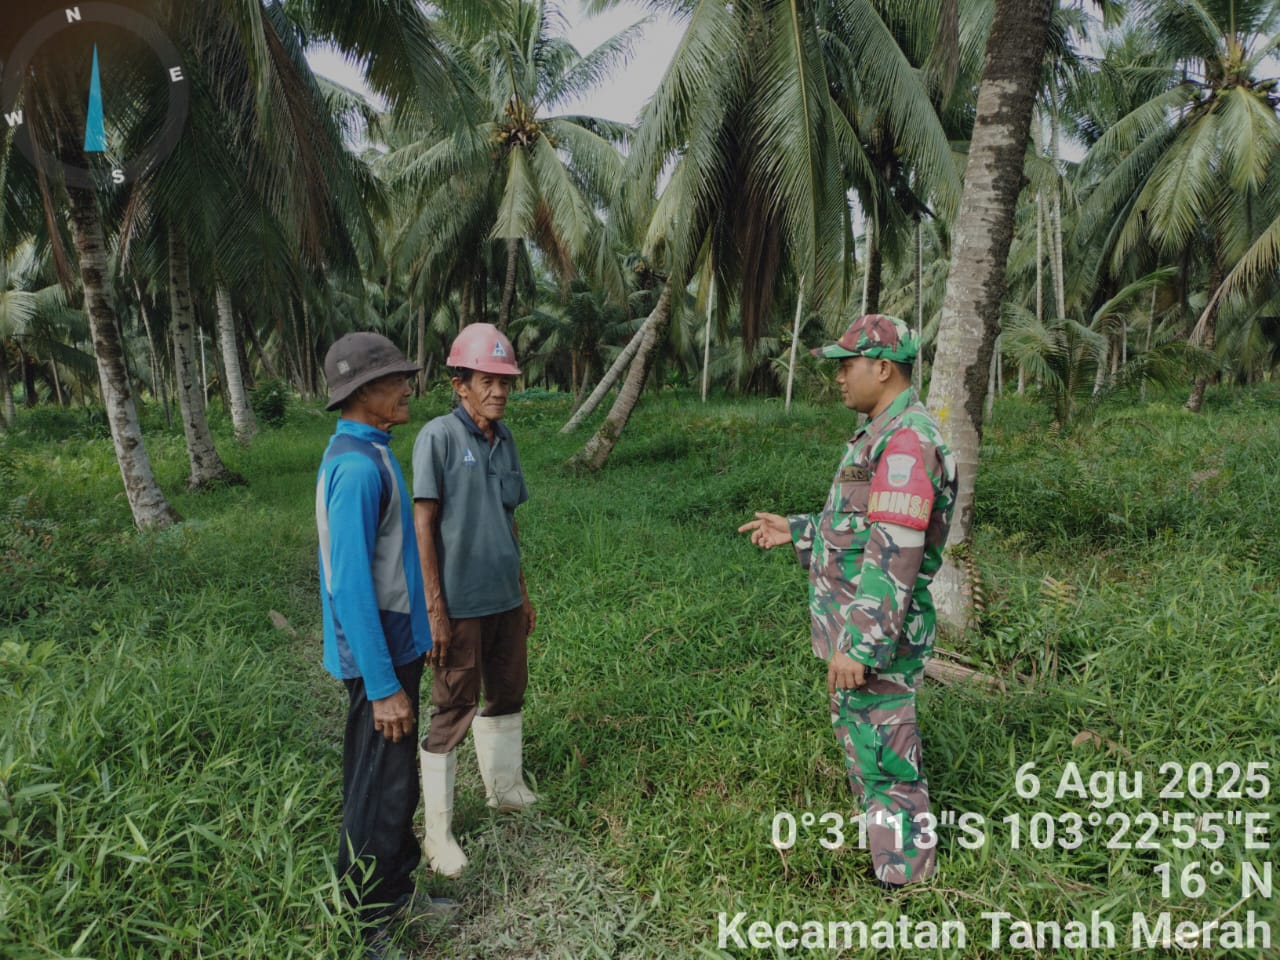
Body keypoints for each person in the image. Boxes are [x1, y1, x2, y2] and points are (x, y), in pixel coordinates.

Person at [738, 314, 957, 889]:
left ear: (882, 368)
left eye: (847, 364)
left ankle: (907, 886)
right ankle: (891, 861)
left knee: (888, 762)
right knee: (868, 750)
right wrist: (801, 530)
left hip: (875, 640)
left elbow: (896, 555)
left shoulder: (906, 442)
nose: (838, 377)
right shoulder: (879, 434)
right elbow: (863, 527)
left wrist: (858, 645)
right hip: (861, 632)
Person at [315, 332, 434, 958]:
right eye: (395, 379)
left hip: (398, 643)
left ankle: (398, 884)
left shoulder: (372, 450)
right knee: (376, 785)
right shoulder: (358, 469)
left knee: (395, 779)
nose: (406, 386)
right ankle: (366, 921)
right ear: (363, 393)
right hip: (378, 655)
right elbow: (352, 587)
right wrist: (384, 685)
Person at [412, 322, 538, 878]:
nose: (500, 392)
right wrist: (435, 610)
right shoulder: (437, 438)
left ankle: (504, 788)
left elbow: (509, 520)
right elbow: (424, 526)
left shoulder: (505, 439)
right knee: (452, 706)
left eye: (506, 382)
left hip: (503, 600)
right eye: (488, 381)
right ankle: (436, 834)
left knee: (507, 692)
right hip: (458, 606)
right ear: (459, 384)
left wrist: (523, 591)